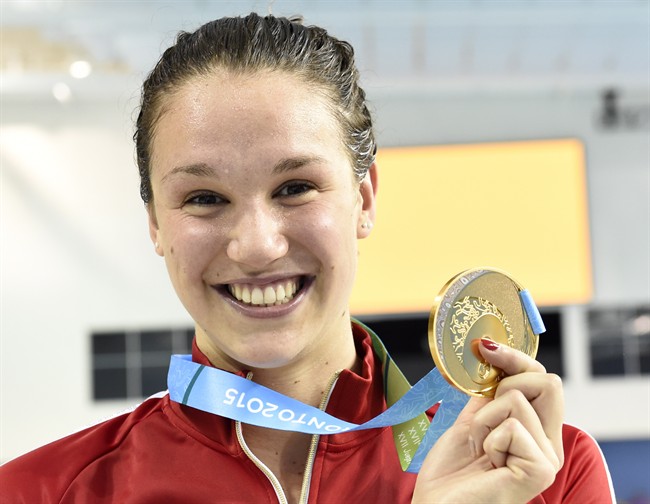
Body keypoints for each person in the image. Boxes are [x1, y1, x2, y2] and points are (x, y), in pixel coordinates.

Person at [0, 13, 614, 503]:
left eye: (295, 188)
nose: (258, 246)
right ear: (156, 222)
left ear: (364, 197)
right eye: (204, 198)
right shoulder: (41, 492)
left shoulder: (546, 477)